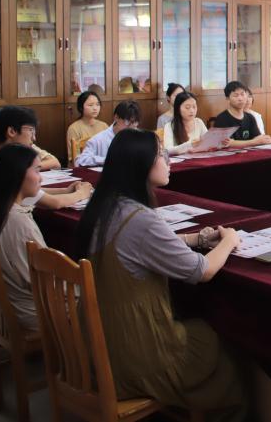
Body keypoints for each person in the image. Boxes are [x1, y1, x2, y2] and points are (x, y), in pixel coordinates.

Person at [73, 129, 247, 421]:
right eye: (161, 155)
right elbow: (202, 270)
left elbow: (140, 245)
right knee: (217, 338)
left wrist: (196, 239)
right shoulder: (141, 219)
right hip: (135, 354)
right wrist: (229, 240)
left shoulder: (105, 205)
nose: (168, 161)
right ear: (140, 165)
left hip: (100, 345)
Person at [0, 106, 91, 209]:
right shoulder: (7, 168)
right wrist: (81, 194)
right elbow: (54, 203)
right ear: (11, 131)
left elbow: (25, 192)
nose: (34, 138)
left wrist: (65, 190)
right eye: (31, 130)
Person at [0, 144, 46, 330]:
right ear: (17, 173)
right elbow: (41, 281)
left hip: (7, 302)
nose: (41, 178)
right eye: (37, 170)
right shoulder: (18, 222)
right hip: (30, 311)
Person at [76, 101, 141, 167]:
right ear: (116, 117)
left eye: (135, 122)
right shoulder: (98, 140)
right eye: (127, 122)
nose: (131, 127)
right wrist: (107, 160)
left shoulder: (140, 137)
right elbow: (81, 160)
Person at [210, 82, 271, 149]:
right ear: (228, 99)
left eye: (242, 94)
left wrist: (264, 139)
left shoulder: (250, 117)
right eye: (235, 95)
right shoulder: (222, 119)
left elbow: (258, 138)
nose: (240, 98)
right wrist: (254, 142)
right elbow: (227, 144)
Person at [66, 90, 109, 163]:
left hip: (102, 164)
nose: (95, 108)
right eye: (90, 105)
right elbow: (74, 158)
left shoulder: (104, 126)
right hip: (83, 166)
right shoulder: (73, 128)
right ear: (81, 107)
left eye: (97, 104)